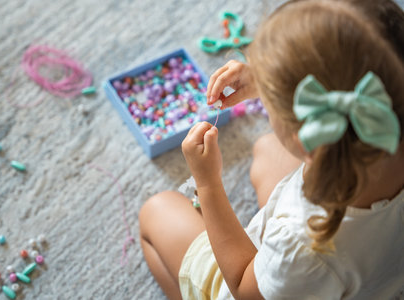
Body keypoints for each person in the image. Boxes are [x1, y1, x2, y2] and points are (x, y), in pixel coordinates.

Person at [139, 0, 404, 298]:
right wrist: (267, 81)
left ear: (308, 137)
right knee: (266, 151)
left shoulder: (301, 246)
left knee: (156, 211)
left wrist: (208, 183)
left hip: (257, 282)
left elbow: (242, 287)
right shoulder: (385, 123)